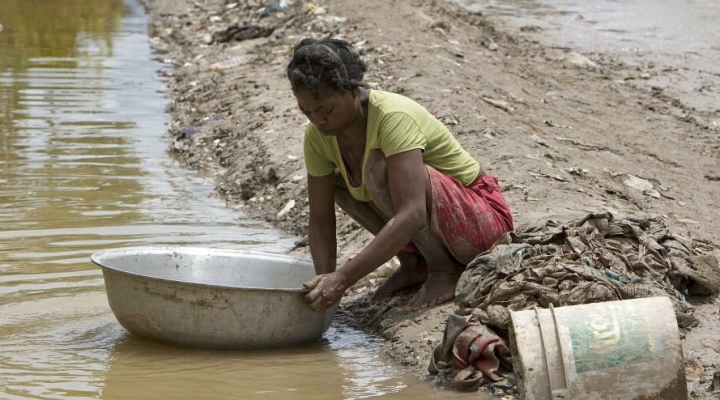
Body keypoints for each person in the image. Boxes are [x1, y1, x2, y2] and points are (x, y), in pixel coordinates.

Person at [287, 38, 514, 313]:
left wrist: (344, 278)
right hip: (438, 228)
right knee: (336, 181)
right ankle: (414, 263)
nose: (317, 120)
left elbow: (412, 213)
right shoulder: (317, 136)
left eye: (326, 110)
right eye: (307, 111)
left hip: (483, 224)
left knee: (378, 168)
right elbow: (320, 221)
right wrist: (325, 282)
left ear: (352, 90)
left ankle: (443, 269)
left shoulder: (392, 116)